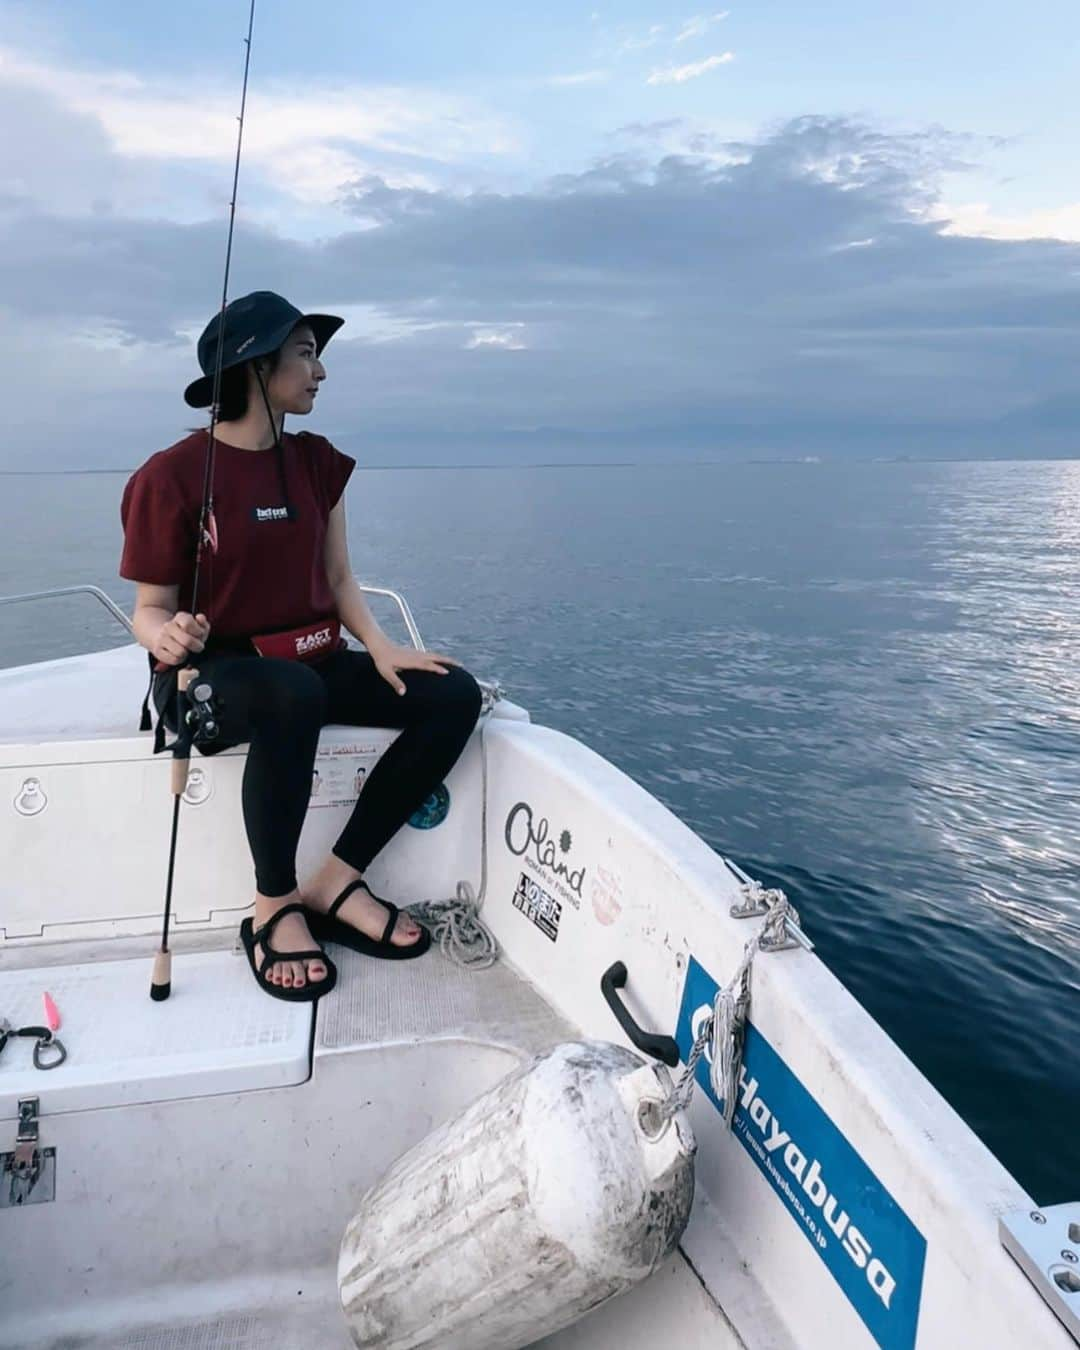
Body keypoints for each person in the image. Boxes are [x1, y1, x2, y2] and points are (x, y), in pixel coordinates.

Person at [119, 291, 482, 1003]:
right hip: (211, 675)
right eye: (306, 354)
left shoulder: (319, 463)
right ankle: (273, 907)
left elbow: (340, 578)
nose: (321, 372)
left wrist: (380, 646)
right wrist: (167, 635)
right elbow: (148, 609)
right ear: (256, 367)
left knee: (452, 695)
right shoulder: (171, 476)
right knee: (295, 693)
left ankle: (336, 878)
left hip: (308, 661)